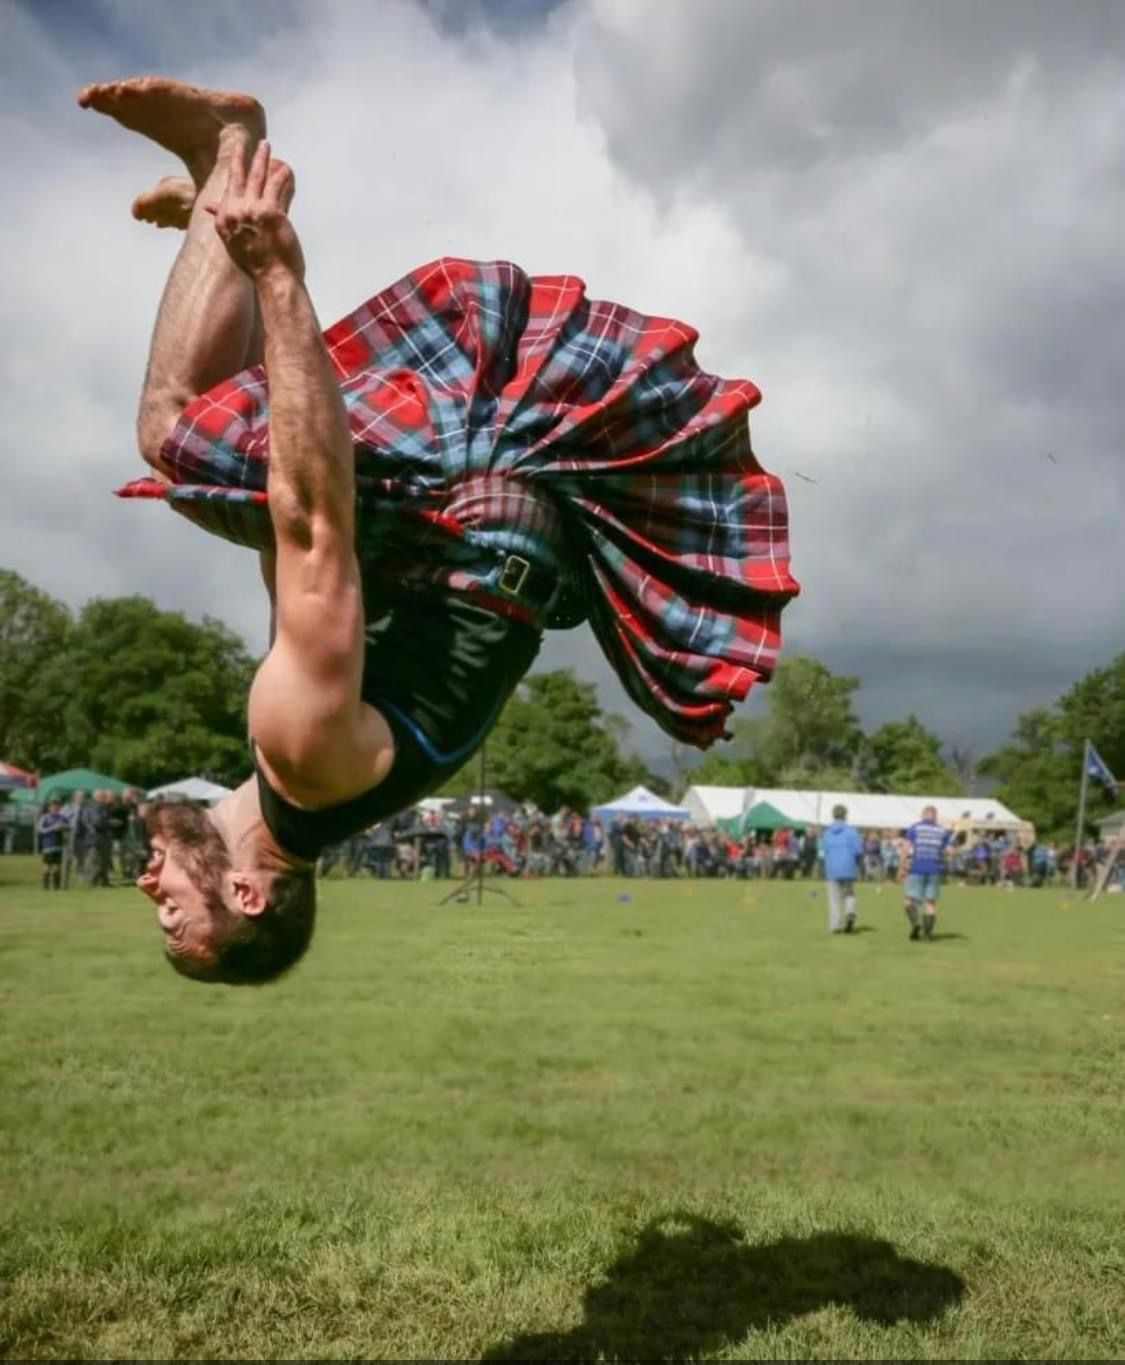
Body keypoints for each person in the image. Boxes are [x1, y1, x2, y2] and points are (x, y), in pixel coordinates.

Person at [80, 76, 797, 984]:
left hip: (507, 526)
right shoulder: (301, 755)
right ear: (248, 896)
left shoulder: (308, 786)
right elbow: (312, 525)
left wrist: (224, 251)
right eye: (175, 914)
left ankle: (217, 184)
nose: (150, 886)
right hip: (482, 493)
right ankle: (230, 145)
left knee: (232, 458)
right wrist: (272, 270)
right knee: (174, 433)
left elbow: (277, 532)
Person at [902, 805, 952, 941]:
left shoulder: (915, 828)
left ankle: (916, 923)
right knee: (930, 903)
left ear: (922, 814)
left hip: (917, 867)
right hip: (934, 869)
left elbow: (906, 848)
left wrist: (902, 867)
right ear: (936, 816)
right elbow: (950, 851)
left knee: (908, 899)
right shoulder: (942, 831)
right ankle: (928, 934)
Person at [821, 803, 863, 934]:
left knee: (834, 898)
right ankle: (850, 912)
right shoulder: (852, 831)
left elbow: (825, 851)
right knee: (849, 893)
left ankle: (835, 925)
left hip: (832, 868)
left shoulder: (827, 833)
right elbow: (858, 851)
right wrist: (858, 864)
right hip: (848, 867)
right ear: (845, 815)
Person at [37, 799, 68, 890]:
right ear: (49, 808)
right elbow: (40, 830)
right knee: (47, 866)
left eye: (57, 807)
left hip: (59, 845)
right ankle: (46, 887)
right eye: (53, 807)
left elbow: (69, 826)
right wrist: (52, 828)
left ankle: (56, 887)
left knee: (57, 867)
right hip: (48, 846)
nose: (55, 808)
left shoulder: (62, 817)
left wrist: (63, 827)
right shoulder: (45, 817)